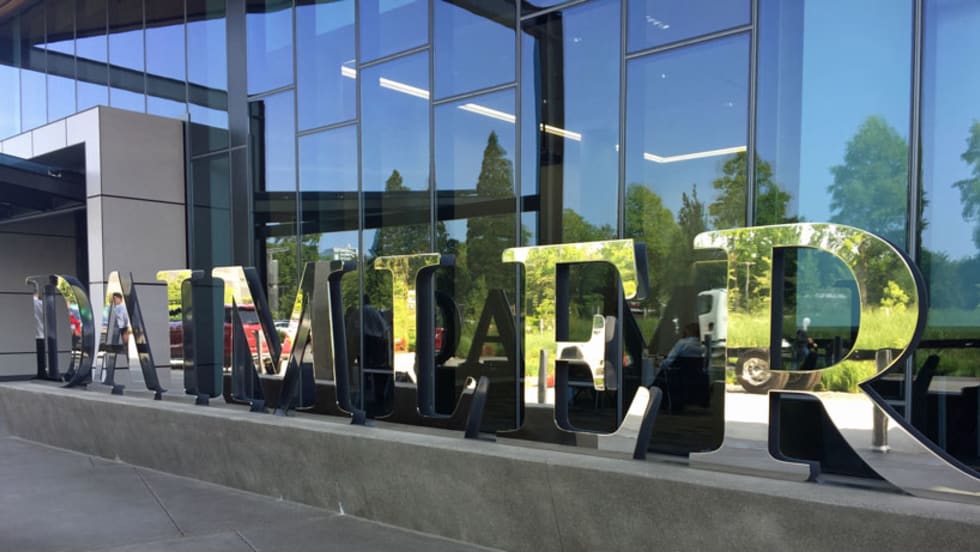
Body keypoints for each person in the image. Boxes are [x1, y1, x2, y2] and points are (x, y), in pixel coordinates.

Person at [34, 292, 45, 379]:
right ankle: (42, 373)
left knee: (38, 357)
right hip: (43, 334)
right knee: (42, 357)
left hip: (35, 334)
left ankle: (40, 373)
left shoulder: (33, 303)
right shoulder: (42, 304)